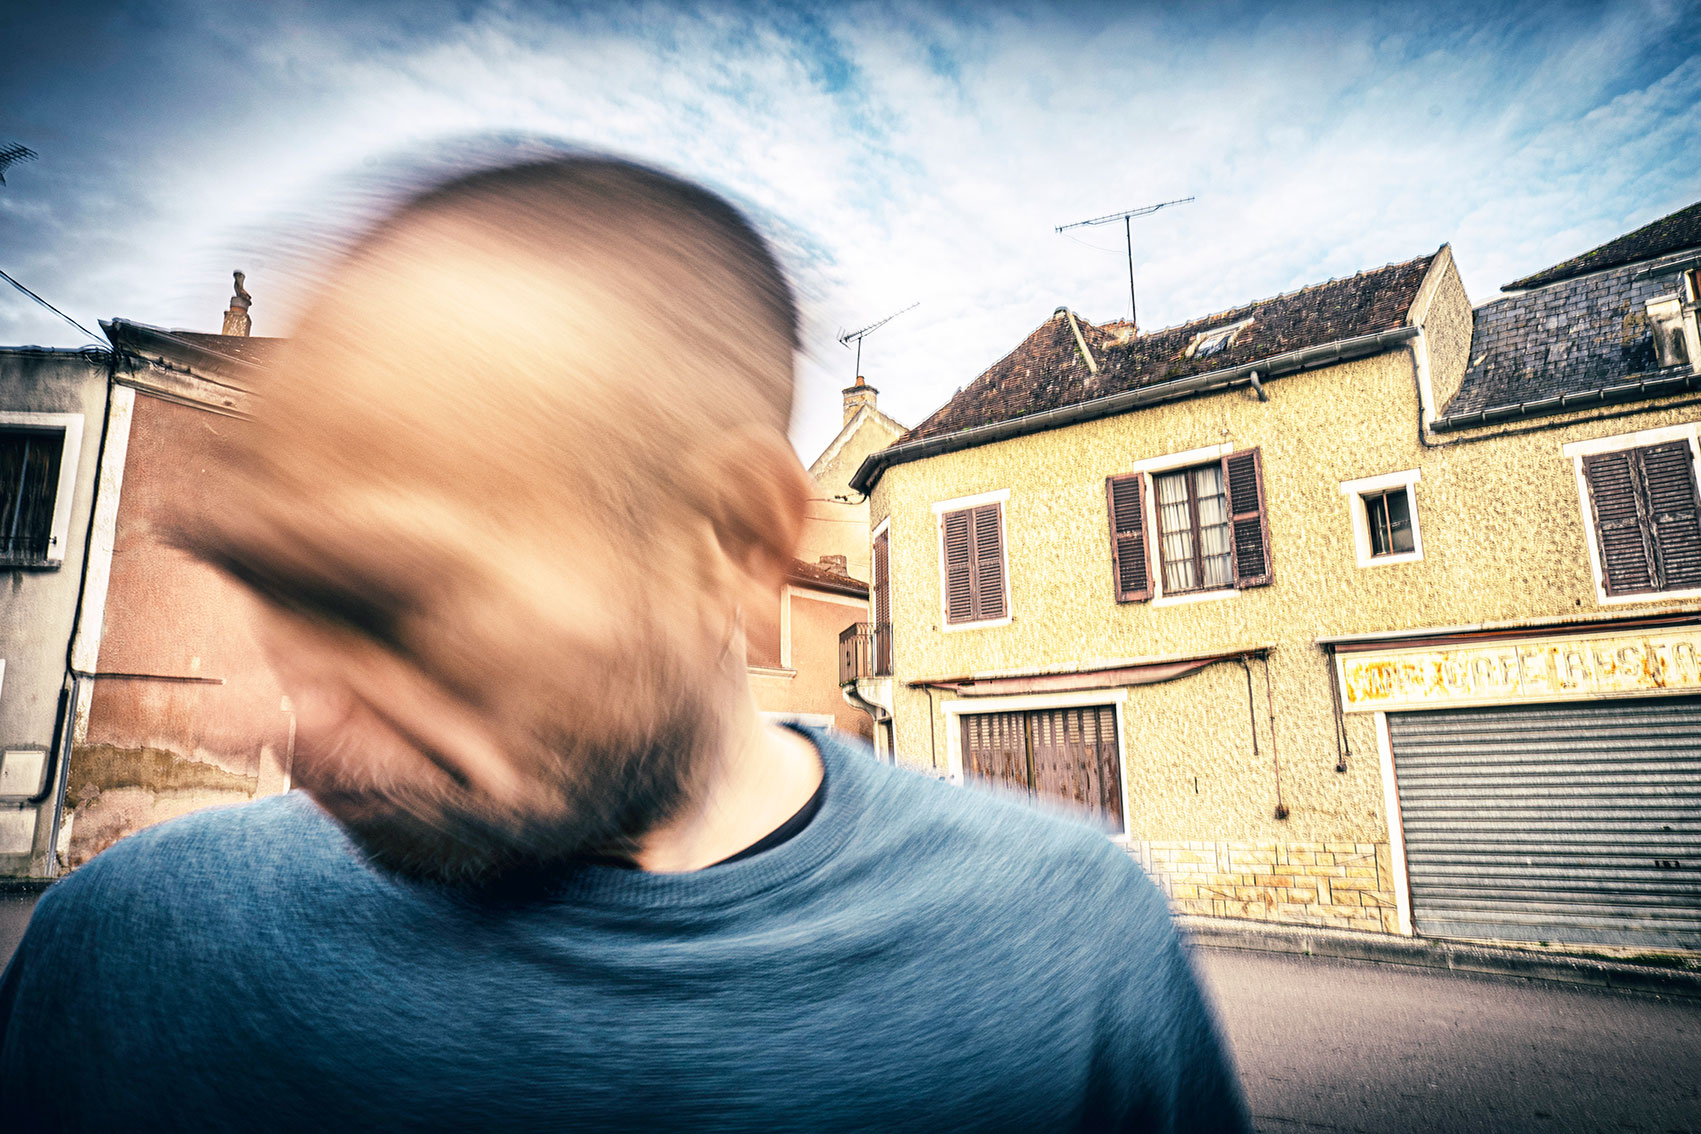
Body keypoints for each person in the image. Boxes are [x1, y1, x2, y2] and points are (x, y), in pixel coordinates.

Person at [0, 152, 1250, 1131]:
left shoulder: (1068, 959)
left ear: (732, 539)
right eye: (289, 586)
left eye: (405, 600)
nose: (287, 715)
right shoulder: (126, 957)